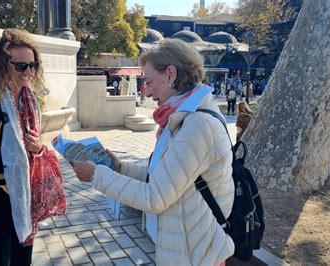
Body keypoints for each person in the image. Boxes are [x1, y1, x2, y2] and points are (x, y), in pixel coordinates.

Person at [72, 39, 235, 265]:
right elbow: (163, 179)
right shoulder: (185, 116)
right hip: (187, 246)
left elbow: (155, 197)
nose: (146, 92)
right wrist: (121, 169)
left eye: (148, 81)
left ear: (170, 74)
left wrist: (97, 175)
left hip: (196, 254)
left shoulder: (197, 124)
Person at [0, 28, 65, 265]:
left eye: (32, 65)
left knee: (22, 261)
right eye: (20, 65)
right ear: (3, 64)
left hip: (24, 194)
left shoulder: (31, 100)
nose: (27, 72)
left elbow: (34, 149)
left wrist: (38, 146)